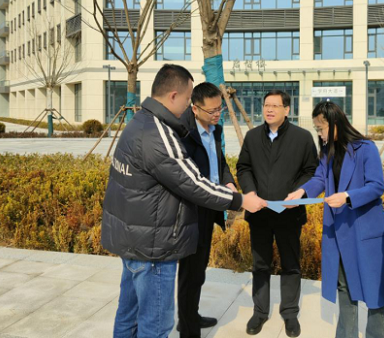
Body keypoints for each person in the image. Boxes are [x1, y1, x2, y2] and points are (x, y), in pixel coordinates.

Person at [101, 64, 266, 338]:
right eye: (189, 98)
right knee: (155, 326)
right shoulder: (159, 134)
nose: (189, 105)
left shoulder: (139, 122)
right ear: (174, 96)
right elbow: (193, 182)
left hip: (134, 238)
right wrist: (239, 200)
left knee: (128, 317)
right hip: (153, 247)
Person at [286, 101, 384, 338]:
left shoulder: (365, 148)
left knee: (374, 290)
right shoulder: (328, 152)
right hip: (340, 231)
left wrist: (347, 196)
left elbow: (377, 186)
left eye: (321, 128)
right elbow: (319, 179)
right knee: (345, 287)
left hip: (365, 231)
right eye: (317, 129)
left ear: (335, 123)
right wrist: (301, 192)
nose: (319, 134)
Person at [237, 90, 318, 337]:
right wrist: (250, 192)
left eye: (275, 105)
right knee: (260, 264)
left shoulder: (302, 138)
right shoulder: (252, 137)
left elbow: (311, 170)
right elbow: (243, 168)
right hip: (259, 213)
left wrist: (298, 193)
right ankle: (260, 312)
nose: (269, 109)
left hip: (289, 213)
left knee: (291, 264)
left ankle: (290, 313)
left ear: (287, 110)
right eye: (266, 105)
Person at [177, 82, 238, 338]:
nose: (217, 114)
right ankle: (187, 327)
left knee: (199, 270)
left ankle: (191, 315)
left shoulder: (215, 130)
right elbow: (189, 180)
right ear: (195, 108)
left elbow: (220, 163)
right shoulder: (183, 134)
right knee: (189, 273)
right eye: (211, 111)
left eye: (219, 109)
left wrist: (229, 182)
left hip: (209, 210)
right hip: (190, 213)